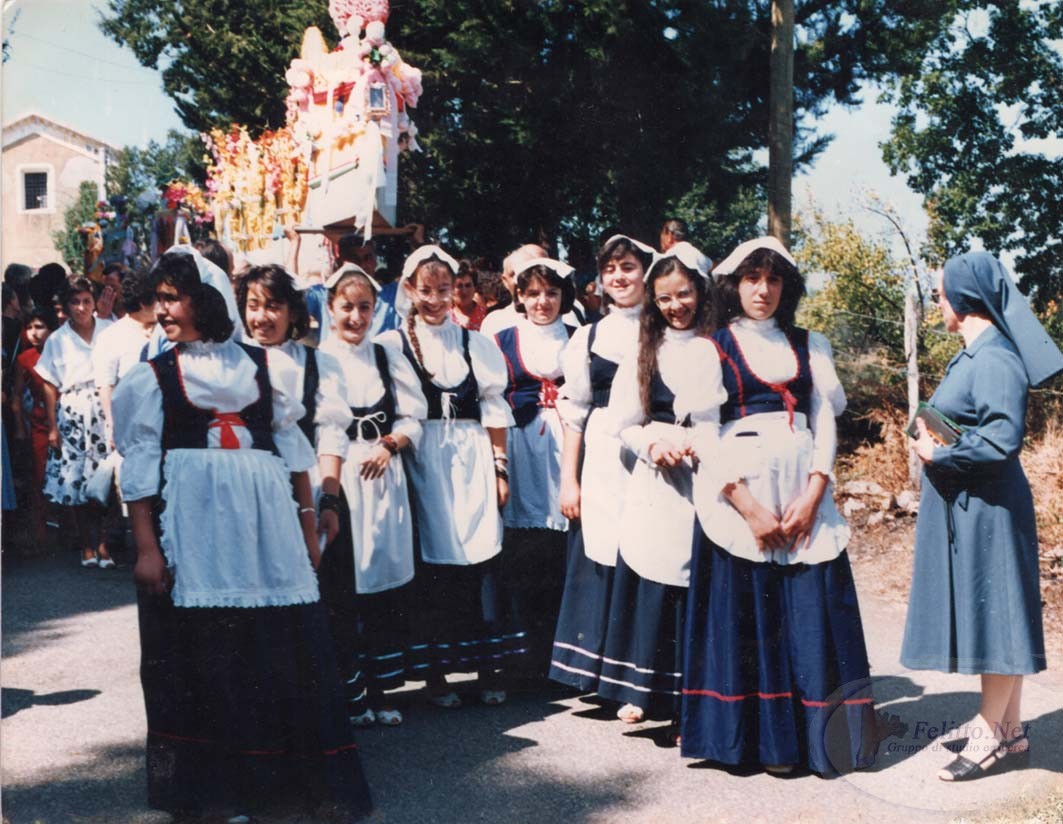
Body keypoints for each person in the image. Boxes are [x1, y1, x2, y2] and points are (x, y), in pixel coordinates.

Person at [112, 248, 372, 821]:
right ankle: (210, 791)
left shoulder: (261, 367)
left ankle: (279, 783)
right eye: (158, 299)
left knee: (273, 652)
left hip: (265, 540)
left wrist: (308, 528)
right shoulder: (152, 377)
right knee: (202, 659)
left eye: (173, 297)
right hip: (195, 541)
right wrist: (148, 549)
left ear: (205, 301)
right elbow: (136, 468)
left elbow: (294, 453)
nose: (163, 309)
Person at [681, 236, 877, 775]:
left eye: (772, 280)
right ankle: (760, 745)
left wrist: (815, 493)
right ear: (733, 285)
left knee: (809, 616)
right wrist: (747, 507)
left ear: (786, 287)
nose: (762, 290)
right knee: (752, 619)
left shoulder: (811, 344)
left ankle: (819, 742)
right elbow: (705, 434)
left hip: (802, 497)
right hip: (740, 501)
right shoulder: (711, 348)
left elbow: (826, 421)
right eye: (751, 279)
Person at [903, 252, 1063, 781]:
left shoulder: (993, 357)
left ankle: (988, 733)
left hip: (989, 511)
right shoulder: (977, 353)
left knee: (998, 620)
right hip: (978, 508)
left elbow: (1001, 438)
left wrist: (938, 454)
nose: (938, 302)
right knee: (1002, 616)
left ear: (964, 297)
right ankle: (1011, 727)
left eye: (941, 294)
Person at [378, 244, 521, 707]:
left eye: (444, 290)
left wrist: (500, 469)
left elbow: (495, 408)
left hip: (472, 456)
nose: (436, 299)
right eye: (427, 291)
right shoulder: (394, 346)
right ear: (408, 290)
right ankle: (437, 675)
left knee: (482, 559)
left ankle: (486, 668)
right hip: (423, 461)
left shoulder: (475, 344)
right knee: (433, 568)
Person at [598, 242, 722, 729]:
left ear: (702, 292)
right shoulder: (644, 351)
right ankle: (646, 690)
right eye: (666, 298)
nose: (676, 306)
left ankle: (694, 699)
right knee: (658, 579)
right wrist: (651, 443)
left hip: (710, 478)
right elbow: (623, 422)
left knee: (702, 583)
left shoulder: (722, 344)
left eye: (685, 294)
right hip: (660, 481)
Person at [318, 264, 427, 727]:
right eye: (347, 307)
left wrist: (389, 446)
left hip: (384, 482)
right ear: (331, 309)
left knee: (384, 586)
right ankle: (350, 694)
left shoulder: (386, 356)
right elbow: (320, 428)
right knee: (345, 587)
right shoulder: (318, 359)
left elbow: (413, 416)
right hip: (340, 477)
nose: (357, 317)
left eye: (365, 307)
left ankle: (383, 691)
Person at [549, 234, 654, 691]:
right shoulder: (587, 337)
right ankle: (596, 674)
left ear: (646, 272)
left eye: (628, 267)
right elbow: (574, 413)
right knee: (601, 550)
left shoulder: (662, 329)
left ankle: (635, 676)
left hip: (653, 454)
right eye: (611, 269)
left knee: (646, 554)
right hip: (602, 457)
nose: (619, 277)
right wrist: (568, 480)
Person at [494, 257, 577, 678]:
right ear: (519, 297)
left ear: (564, 296)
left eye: (551, 292)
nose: (542, 301)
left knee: (562, 551)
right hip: (522, 444)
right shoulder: (502, 338)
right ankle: (523, 656)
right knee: (524, 550)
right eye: (532, 294)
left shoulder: (580, 338)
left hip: (568, 446)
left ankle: (559, 657)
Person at [35, 277, 114, 568]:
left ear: (94, 303)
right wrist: (53, 426)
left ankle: (104, 543)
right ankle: (87, 546)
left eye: (86, 301)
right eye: (75, 302)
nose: (81, 308)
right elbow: (49, 385)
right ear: (66, 306)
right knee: (78, 479)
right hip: (73, 412)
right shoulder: (58, 339)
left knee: (107, 478)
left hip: (104, 407)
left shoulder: (109, 330)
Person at [11, 308, 60, 545]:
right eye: (30, 328)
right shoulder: (25, 358)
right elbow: (17, 396)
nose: (34, 333)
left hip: (66, 418)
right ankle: (40, 534)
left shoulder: (63, 351)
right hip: (39, 422)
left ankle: (73, 531)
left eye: (40, 327)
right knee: (39, 477)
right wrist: (20, 427)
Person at [93, 269, 158, 446]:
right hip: (130, 419)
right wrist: (112, 423)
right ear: (143, 304)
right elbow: (105, 384)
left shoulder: (166, 330)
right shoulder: (111, 336)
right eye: (158, 300)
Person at [478, 244, 548, 340]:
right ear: (505, 281)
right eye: (513, 274)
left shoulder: (561, 316)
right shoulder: (494, 322)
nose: (517, 280)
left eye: (524, 272)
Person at [450, 259, 488, 331]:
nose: (464, 291)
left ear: (475, 288)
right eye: (459, 286)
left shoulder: (486, 315)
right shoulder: (443, 318)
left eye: (468, 285)